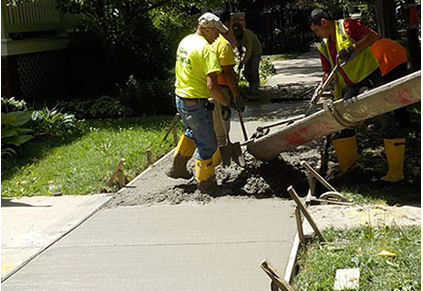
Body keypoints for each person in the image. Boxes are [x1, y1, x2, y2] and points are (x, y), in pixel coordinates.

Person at [309, 8, 405, 182]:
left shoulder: (347, 26)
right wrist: (322, 85)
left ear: (323, 22)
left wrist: (352, 48)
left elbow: (373, 36)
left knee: (384, 117)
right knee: (344, 122)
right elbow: (328, 71)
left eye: (317, 30)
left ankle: (396, 172)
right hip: (352, 85)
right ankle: (350, 169)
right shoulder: (323, 46)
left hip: (370, 77)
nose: (317, 34)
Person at [165, 12, 232, 194]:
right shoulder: (207, 50)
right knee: (208, 144)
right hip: (195, 103)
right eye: (216, 32)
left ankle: (177, 167)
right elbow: (212, 86)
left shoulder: (185, 41)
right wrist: (225, 103)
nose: (218, 36)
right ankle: (206, 184)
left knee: (192, 131)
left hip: (181, 98)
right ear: (207, 29)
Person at [210, 7, 245, 165]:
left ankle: (218, 158)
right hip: (220, 89)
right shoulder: (223, 45)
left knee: (215, 127)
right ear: (226, 22)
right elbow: (229, 73)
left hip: (205, 90)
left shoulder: (206, 41)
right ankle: (216, 164)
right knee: (221, 130)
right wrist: (236, 96)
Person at [370, 38, 410, 126]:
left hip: (388, 68)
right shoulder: (384, 41)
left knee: (389, 94)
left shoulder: (369, 51)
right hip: (402, 61)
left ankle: (390, 121)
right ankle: (403, 118)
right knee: (400, 91)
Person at [232, 21, 262, 95]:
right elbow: (239, 47)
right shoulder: (236, 36)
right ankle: (252, 84)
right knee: (246, 71)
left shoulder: (247, 34)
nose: (237, 34)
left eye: (238, 31)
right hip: (248, 51)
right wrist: (240, 58)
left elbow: (249, 50)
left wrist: (243, 62)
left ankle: (255, 88)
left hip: (256, 50)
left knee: (253, 69)